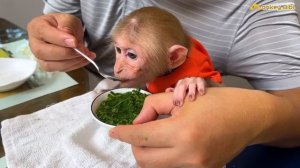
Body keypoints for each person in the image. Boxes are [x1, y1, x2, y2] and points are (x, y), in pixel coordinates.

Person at [27, 0, 300, 167]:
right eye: (117, 50)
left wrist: (255, 117)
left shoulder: (261, 10)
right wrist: (61, 30)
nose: (117, 66)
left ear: (174, 57)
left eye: (130, 55)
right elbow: (60, 17)